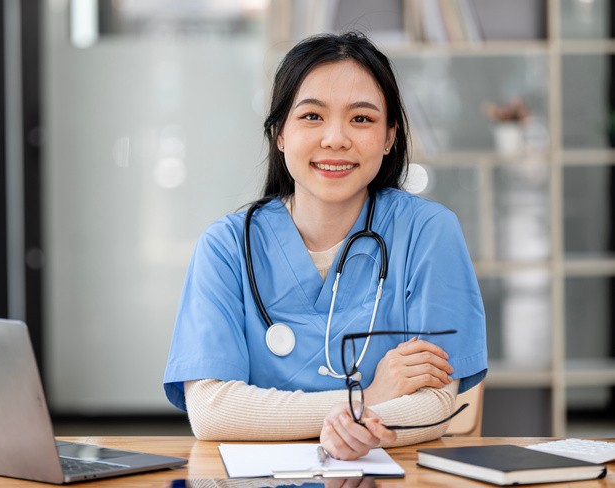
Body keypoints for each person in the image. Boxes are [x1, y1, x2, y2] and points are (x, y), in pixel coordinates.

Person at [163, 31, 487, 460]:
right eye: (312, 117)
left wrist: (352, 425)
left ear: (390, 137)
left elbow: (437, 403)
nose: (335, 138)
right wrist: (364, 399)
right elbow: (211, 410)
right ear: (279, 133)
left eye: (362, 119)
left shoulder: (429, 233)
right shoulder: (225, 246)